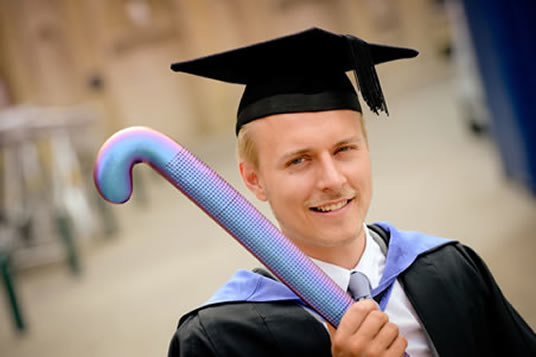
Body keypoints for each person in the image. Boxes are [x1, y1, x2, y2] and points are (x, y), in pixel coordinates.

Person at [167, 27, 536, 356]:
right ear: (253, 179)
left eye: (344, 150)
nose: (331, 179)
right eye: (299, 160)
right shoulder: (217, 340)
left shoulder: (452, 269)